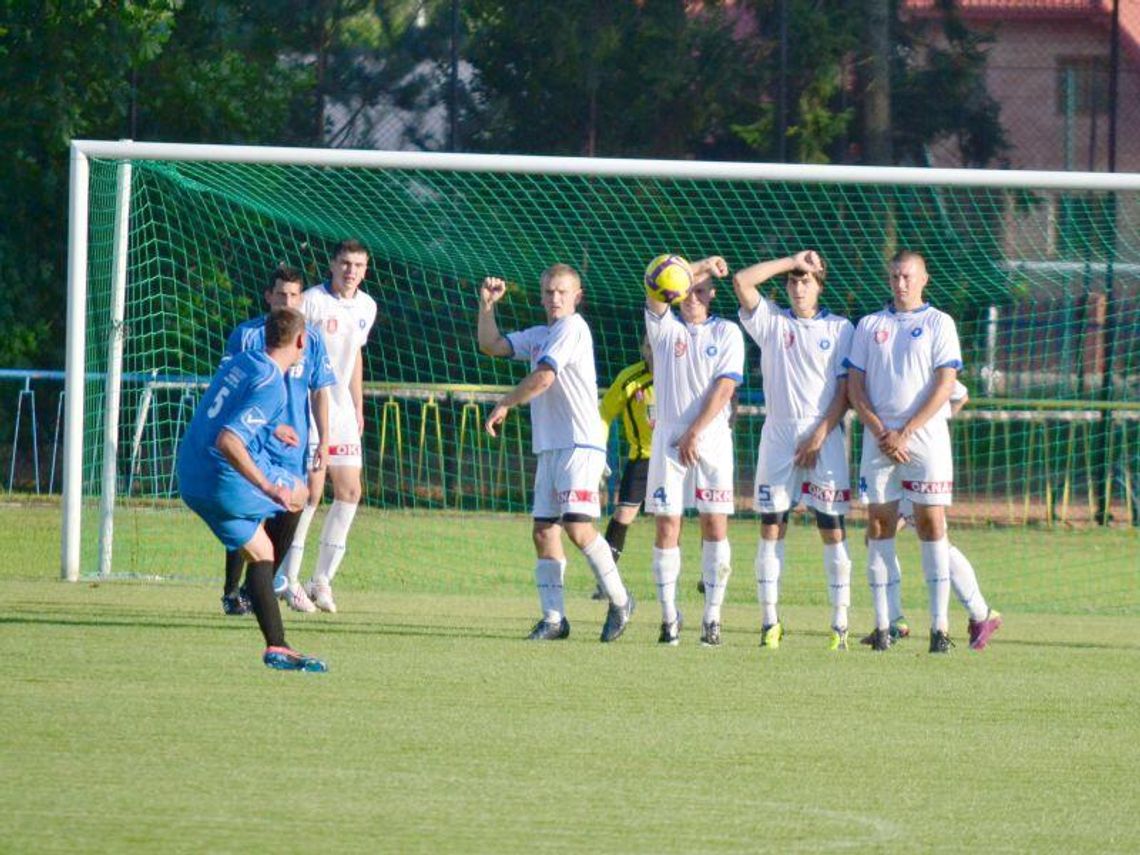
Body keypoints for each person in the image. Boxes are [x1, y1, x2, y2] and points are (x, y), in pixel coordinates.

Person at [845, 249, 999, 653]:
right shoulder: (870, 325)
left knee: (932, 530)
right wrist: (883, 431)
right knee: (878, 530)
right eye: (894, 276)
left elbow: (950, 388)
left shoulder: (939, 324)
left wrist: (909, 432)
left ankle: (943, 627)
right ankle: (886, 625)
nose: (900, 283)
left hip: (923, 444)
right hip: (880, 443)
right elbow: (855, 386)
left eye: (907, 276)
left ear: (924, 278)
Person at [477, 265, 636, 642]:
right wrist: (486, 307)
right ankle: (554, 620)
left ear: (577, 296)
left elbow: (545, 377)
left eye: (562, 292)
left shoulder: (573, 328)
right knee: (544, 531)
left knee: (577, 528)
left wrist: (505, 402)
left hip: (580, 443)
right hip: (550, 447)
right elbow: (492, 345)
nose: (555, 298)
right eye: (549, 291)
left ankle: (621, 599)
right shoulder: (541, 335)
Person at [178, 307, 327, 671]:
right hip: (220, 477)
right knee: (298, 492)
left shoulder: (243, 361)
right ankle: (258, 597)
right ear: (302, 341)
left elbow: (224, 407)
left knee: (261, 551)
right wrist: (266, 486)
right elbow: (230, 440)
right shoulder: (274, 385)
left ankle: (278, 646)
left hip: (188, 472)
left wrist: (273, 428)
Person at [733, 250, 855, 651]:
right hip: (780, 434)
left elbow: (845, 391)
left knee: (831, 530)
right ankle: (770, 621)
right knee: (771, 527)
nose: (798, 285)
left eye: (806, 279)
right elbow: (742, 281)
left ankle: (840, 625)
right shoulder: (772, 322)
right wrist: (791, 260)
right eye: (793, 280)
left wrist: (820, 434)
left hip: (825, 434)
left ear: (820, 285)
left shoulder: (840, 328)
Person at [218, 266, 335, 616]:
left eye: (294, 295)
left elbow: (319, 392)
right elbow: (231, 386)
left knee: (290, 511)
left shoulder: (310, 339)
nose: (287, 301)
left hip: (293, 446)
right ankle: (231, 592)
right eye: (281, 294)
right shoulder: (247, 336)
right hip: (252, 443)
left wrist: (324, 439)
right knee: (247, 516)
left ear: (302, 298)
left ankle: (258, 590)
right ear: (269, 296)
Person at [645, 255, 744, 646]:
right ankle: (669, 617)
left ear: (711, 294)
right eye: (687, 290)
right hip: (669, 437)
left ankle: (712, 617)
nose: (693, 297)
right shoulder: (664, 330)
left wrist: (695, 433)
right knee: (667, 524)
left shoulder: (728, 333)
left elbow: (725, 389)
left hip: (712, 438)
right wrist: (698, 265)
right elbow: (654, 291)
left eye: (701, 290)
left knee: (714, 525)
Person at [859, 381, 1003, 650]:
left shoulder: (923, 363)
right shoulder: (880, 353)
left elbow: (959, 394)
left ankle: (981, 613)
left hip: (920, 460)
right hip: (893, 463)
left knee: (935, 541)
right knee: (880, 537)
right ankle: (896, 619)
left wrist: (930, 424)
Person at [279, 240, 377, 614]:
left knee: (350, 490)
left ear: (365, 270)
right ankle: (289, 580)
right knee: (312, 493)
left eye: (358, 265)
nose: (351, 271)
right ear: (333, 265)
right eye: (345, 263)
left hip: (342, 411)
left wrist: (358, 404)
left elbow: (355, 356)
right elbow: (291, 348)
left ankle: (321, 580)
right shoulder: (313, 302)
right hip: (310, 406)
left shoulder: (367, 306)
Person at [591, 338, 655, 600]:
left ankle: (706, 579)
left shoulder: (682, 372)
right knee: (623, 515)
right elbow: (604, 414)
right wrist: (597, 451)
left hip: (679, 458)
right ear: (643, 349)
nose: (655, 351)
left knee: (701, 518)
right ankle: (605, 581)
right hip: (643, 459)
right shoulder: (631, 379)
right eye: (650, 346)